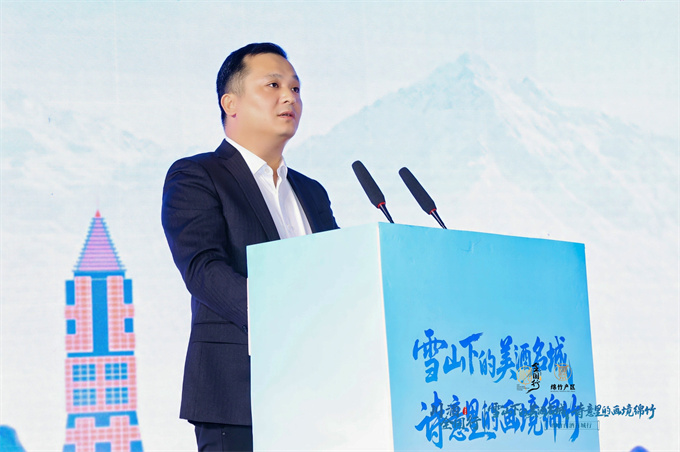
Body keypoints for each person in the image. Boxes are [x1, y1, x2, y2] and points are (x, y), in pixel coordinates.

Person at [161, 42, 338, 451]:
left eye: (296, 88)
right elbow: (203, 269)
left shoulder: (311, 191)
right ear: (231, 103)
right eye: (273, 85)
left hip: (321, 393)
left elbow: (338, 273)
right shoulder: (197, 175)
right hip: (238, 396)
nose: (290, 97)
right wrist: (284, 319)